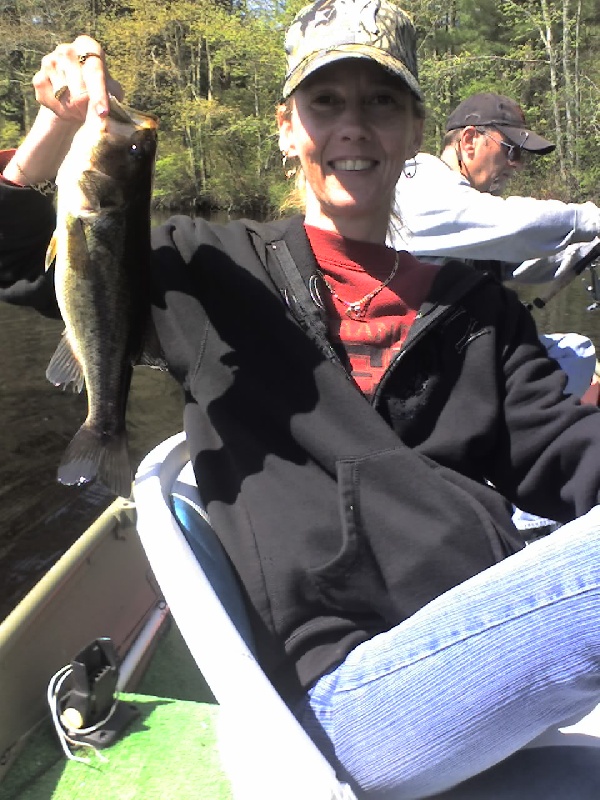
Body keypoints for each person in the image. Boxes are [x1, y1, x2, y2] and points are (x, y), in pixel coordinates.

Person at [0, 2, 599, 798]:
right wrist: (51, 135)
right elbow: (26, 257)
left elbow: (565, 456)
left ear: (414, 135)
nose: (353, 126)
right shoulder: (210, 270)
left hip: (485, 649)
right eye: (326, 103)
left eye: (380, 103)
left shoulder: (474, 309)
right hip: (341, 697)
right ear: (287, 130)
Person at [392, 91, 599, 398]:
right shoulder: (419, 183)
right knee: (576, 356)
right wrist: (590, 219)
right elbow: (516, 226)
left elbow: (520, 260)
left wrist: (587, 248)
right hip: (417, 372)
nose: (517, 165)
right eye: (511, 150)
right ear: (469, 140)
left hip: (453, 354)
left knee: (576, 353)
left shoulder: (467, 213)